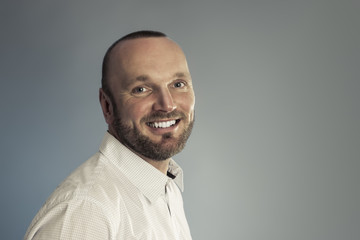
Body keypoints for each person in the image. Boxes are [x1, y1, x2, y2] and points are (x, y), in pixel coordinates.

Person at [25, 30, 195, 239]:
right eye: (141, 89)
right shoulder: (85, 211)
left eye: (178, 84)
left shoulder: (167, 188)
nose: (167, 104)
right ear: (107, 105)